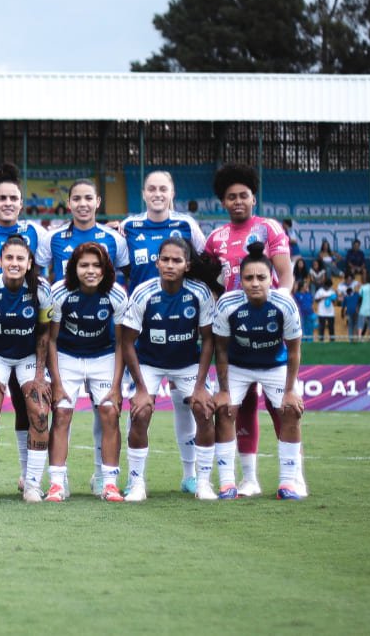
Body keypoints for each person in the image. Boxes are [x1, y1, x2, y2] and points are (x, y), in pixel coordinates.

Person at [203, 163, 298, 498]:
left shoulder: (269, 228)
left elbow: (285, 275)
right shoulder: (215, 239)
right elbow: (211, 282)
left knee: (281, 407)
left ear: (253, 198)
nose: (238, 201)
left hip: (268, 331)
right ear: (223, 202)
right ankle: (249, 479)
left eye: (243, 195)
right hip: (234, 333)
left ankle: (293, 477)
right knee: (239, 407)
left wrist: (279, 306)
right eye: (231, 197)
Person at [37, 178, 130, 494]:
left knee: (109, 412)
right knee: (61, 413)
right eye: (76, 198)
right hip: (67, 355)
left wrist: (116, 385)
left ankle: (109, 482)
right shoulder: (57, 289)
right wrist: (56, 381)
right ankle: (56, 482)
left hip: (103, 355)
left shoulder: (117, 292)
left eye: (88, 198)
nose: (90, 270)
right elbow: (50, 338)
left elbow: (122, 342)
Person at [119, 237, 218, 501]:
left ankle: (202, 482)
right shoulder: (143, 293)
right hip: (149, 363)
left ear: (187, 265)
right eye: (165, 259)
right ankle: (136, 483)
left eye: (177, 260)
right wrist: (141, 389)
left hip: (187, 364)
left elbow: (208, 339)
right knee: (140, 412)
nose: (170, 265)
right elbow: (127, 342)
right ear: (157, 263)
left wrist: (200, 386)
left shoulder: (199, 293)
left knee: (204, 410)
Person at [211, 242, 306, 500]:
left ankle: (288, 484)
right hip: (237, 366)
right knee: (224, 410)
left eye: (261, 278)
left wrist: (290, 390)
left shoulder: (284, 305)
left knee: (291, 410)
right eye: (249, 278)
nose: (255, 283)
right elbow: (220, 350)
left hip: (275, 365)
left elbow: (294, 351)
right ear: (240, 281)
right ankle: (228, 484)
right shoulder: (227, 304)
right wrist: (223, 391)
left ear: (271, 279)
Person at [0, 235, 53, 502]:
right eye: (9, 258)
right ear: (0, 262)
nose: (14, 263)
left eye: (20, 259)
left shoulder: (42, 289)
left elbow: (44, 332)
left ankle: (32, 485)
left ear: (29, 263)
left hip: (28, 356)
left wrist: (39, 376)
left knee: (40, 412)